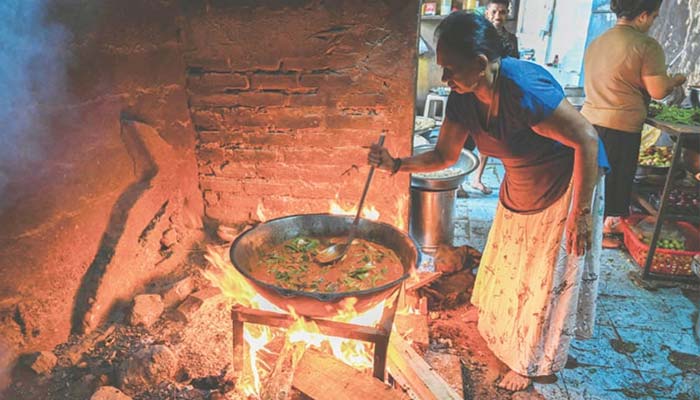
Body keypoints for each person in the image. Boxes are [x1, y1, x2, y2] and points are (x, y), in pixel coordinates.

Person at [369, 12, 607, 391]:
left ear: (480, 64)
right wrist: (397, 165)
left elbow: (587, 140)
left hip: (568, 183)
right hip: (522, 180)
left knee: (545, 278)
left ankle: (533, 362)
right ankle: (513, 339)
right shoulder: (464, 98)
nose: (445, 78)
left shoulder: (523, 89)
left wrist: (581, 214)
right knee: (512, 268)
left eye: (450, 69)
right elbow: (444, 155)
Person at [581, 0, 686, 249]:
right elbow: (658, 90)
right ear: (642, 16)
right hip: (619, 125)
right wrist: (677, 79)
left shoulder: (599, 41)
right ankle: (601, 232)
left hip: (589, 122)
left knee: (593, 180)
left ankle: (596, 227)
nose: (653, 23)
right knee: (613, 182)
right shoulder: (645, 45)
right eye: (654, 17)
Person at [464, 0, 519, 196]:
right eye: (494, 11)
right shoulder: (478, 35)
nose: (498, 16)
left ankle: (476, 178)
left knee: (490, 136)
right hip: (475, 91)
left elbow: (514, 64)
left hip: (498, 93)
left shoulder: (511, 39)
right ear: (487, 13)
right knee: (467, 137)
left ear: (507, 14)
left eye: (502, 12)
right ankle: (459, 182)